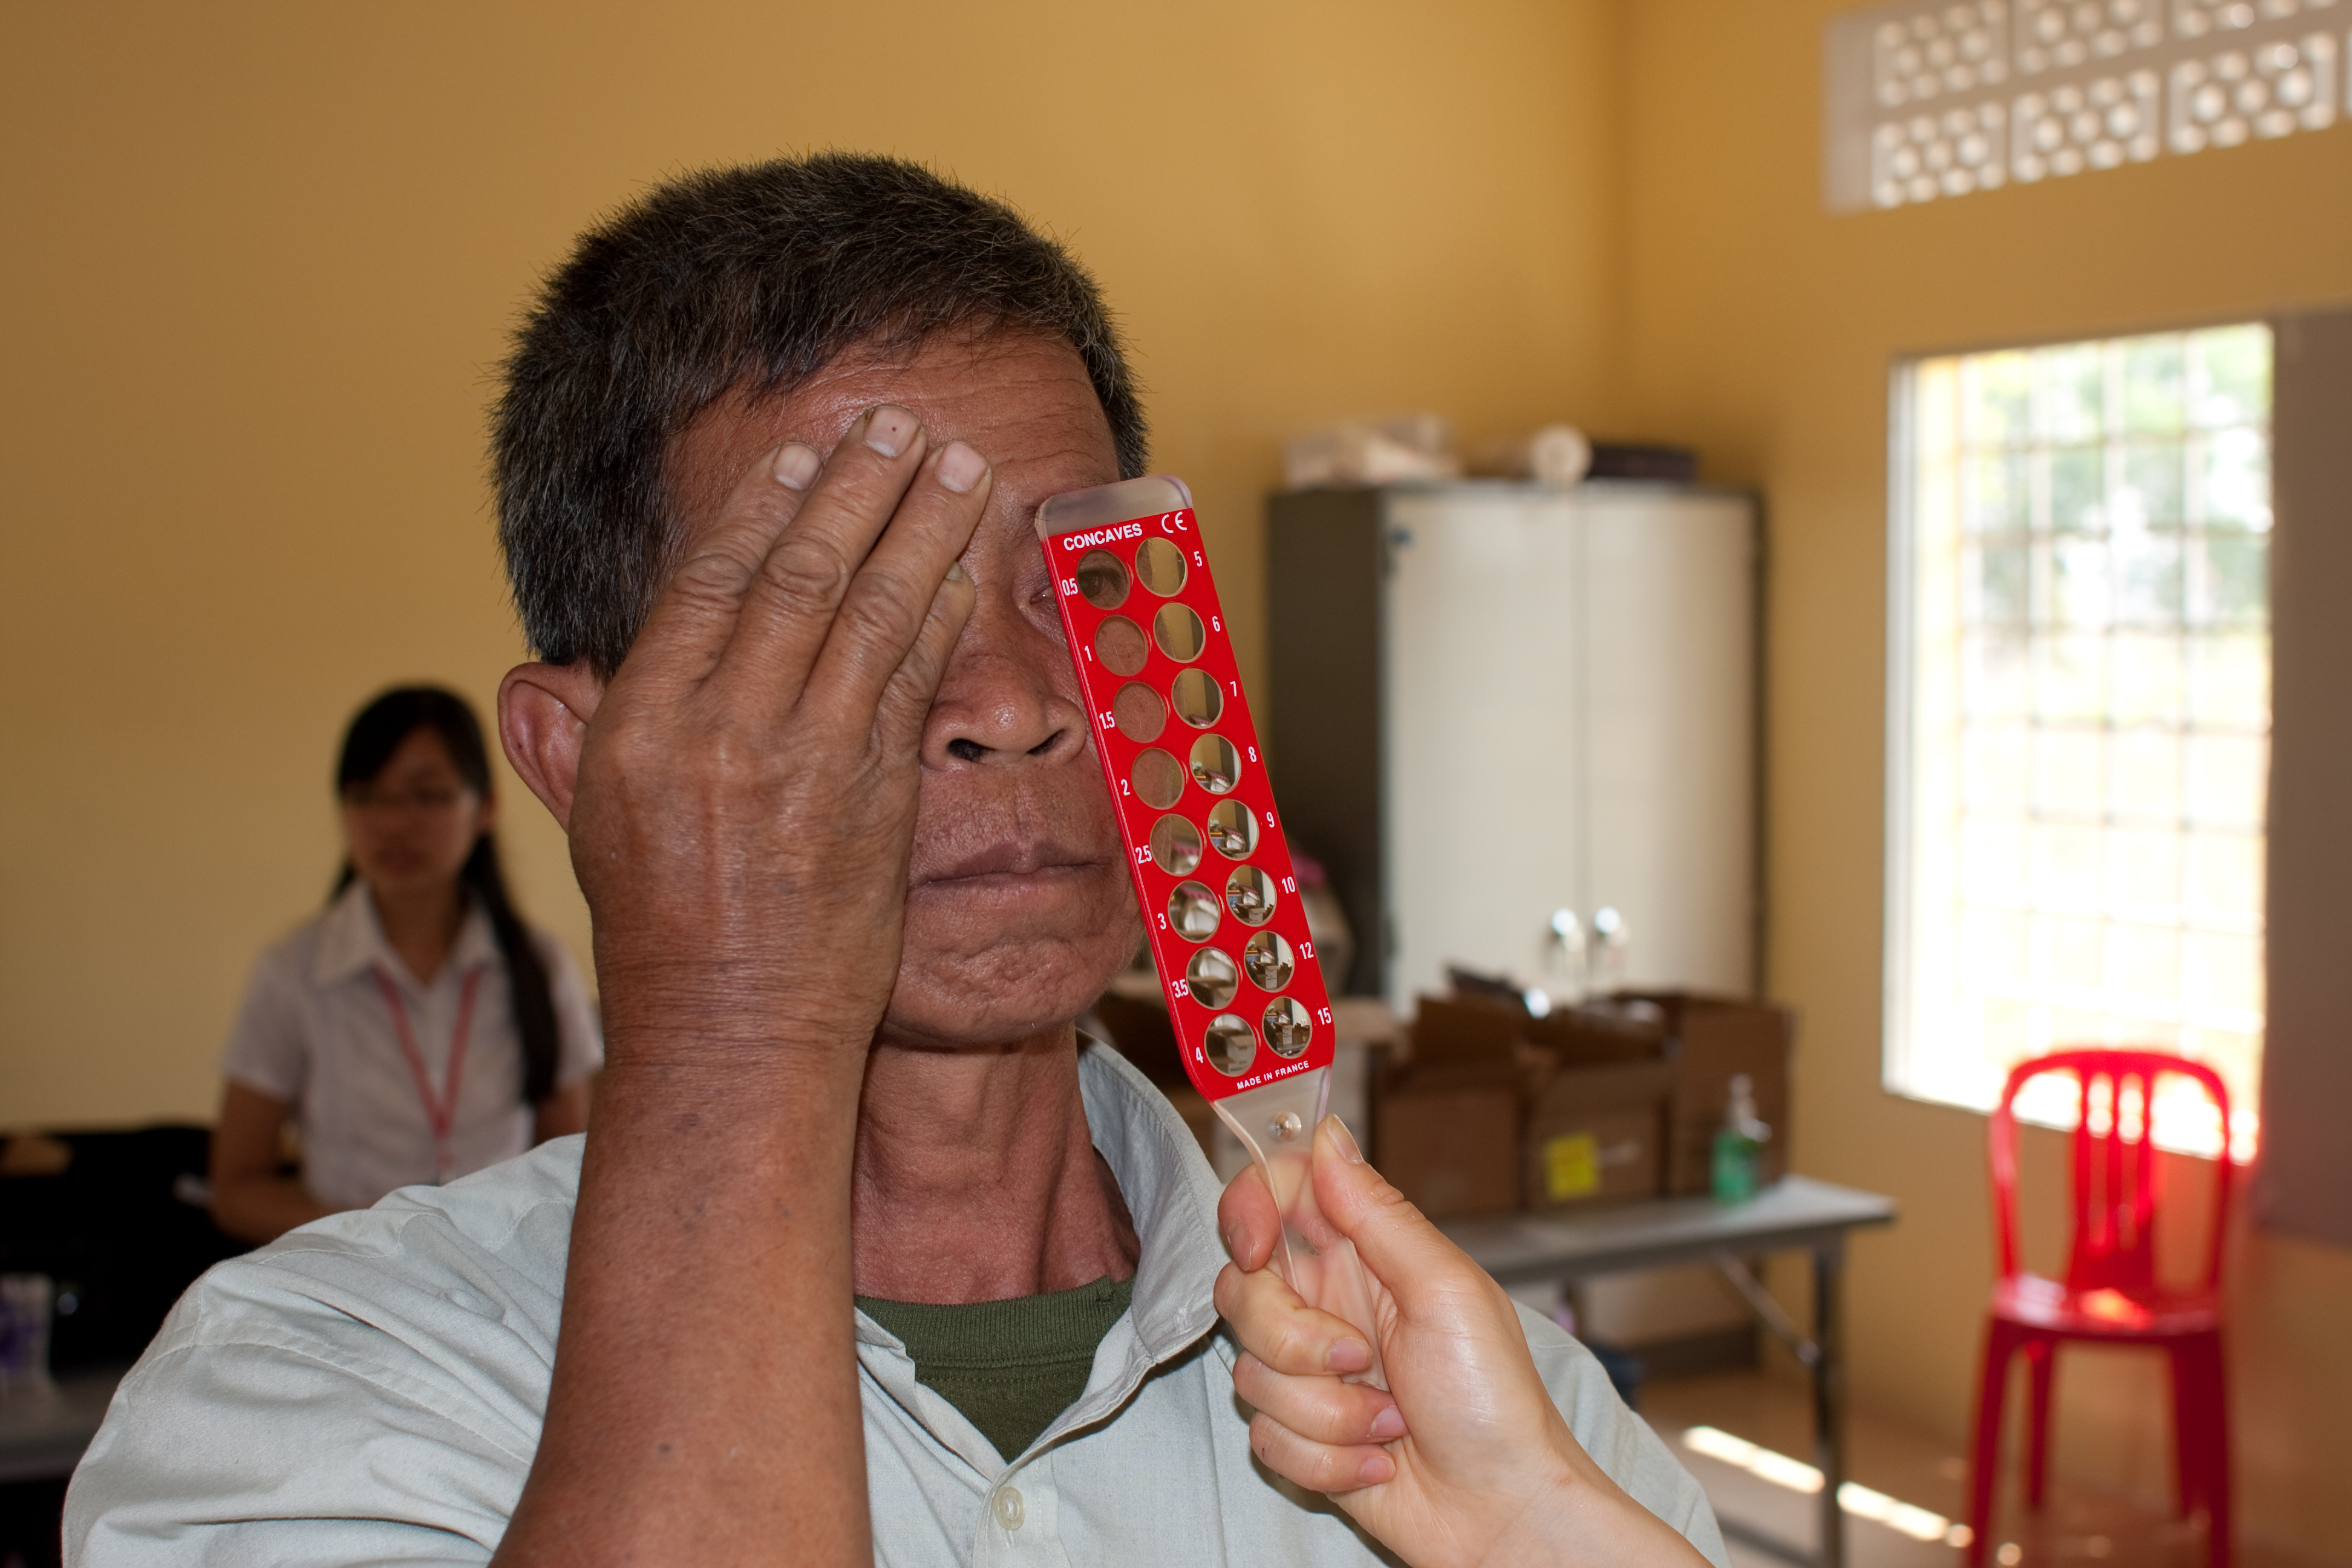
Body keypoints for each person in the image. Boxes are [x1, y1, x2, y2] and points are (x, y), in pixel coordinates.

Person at [67, 156, 1727, 1567]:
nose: (1008, 706)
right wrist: (733, 1014)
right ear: (585, 766)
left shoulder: (1476, 1410)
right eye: (847, 616)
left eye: (1064, 585)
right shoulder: (318, 1389)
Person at [206, 687, 603, 1244]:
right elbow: (238, 1191)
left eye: (428, 796)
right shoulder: (293, 970)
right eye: (368, 797)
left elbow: (564, 1176)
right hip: (348, 1288)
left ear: (486, 806)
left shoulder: (540, 967)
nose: (395, 823)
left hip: (497, 1287)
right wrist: (380, 1235)